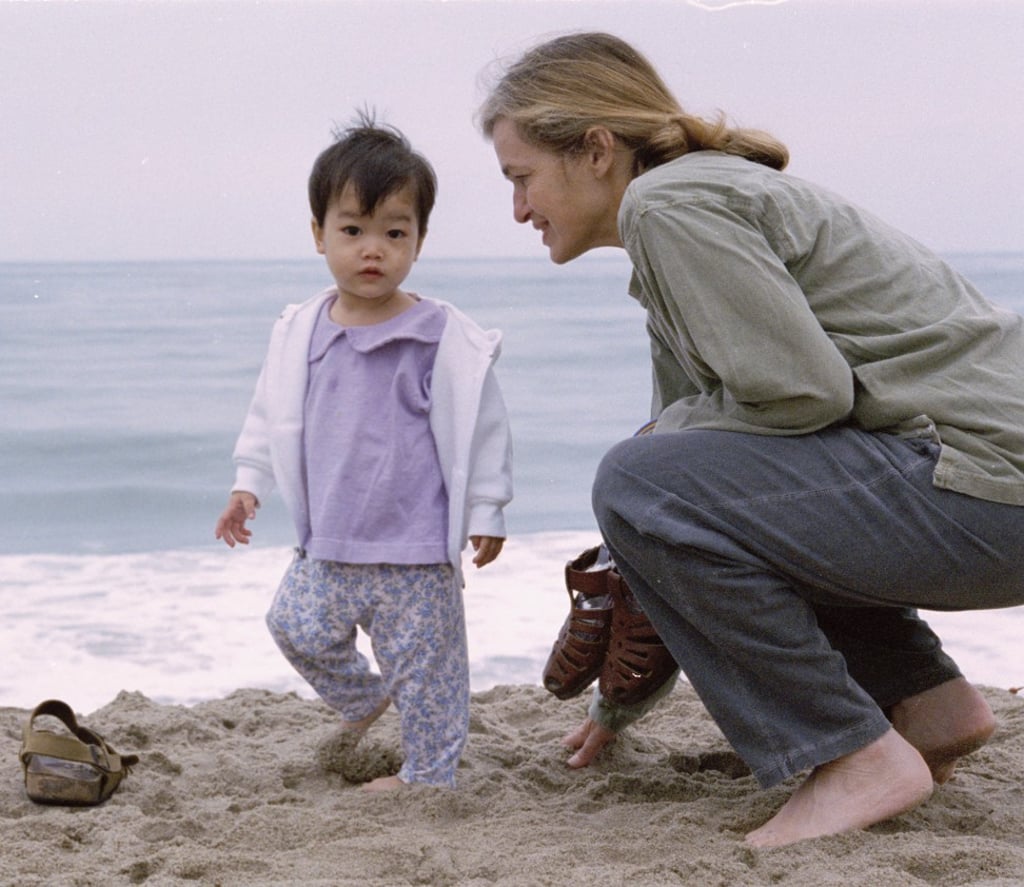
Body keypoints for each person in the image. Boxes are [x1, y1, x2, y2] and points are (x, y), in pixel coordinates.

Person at [478, 31, 1024, 846]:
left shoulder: (671, 206)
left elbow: (804, 393)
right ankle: (925, 703)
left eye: (521, 177)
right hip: (980, 492)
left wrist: (658, 446)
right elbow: (699, 494)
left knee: (638, 473)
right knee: (659, 473)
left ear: (595, 149)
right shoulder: (678, 218)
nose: (518, 208)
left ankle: (859, 756)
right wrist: (617, 705)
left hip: (987, 487)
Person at [215, 114, 513, 791]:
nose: (371, 249)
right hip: (331, 543)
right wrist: (247, 481)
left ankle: (428, 776)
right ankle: (362, 697)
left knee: (428, 670)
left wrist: (488, 508)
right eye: (352, 230)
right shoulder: (301, 331)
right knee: (292, 623)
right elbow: (270, 413)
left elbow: (484, 426)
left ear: (419, 240)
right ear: (319, 234)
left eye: (394, 232)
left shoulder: (441, 336)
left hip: (414, 550)